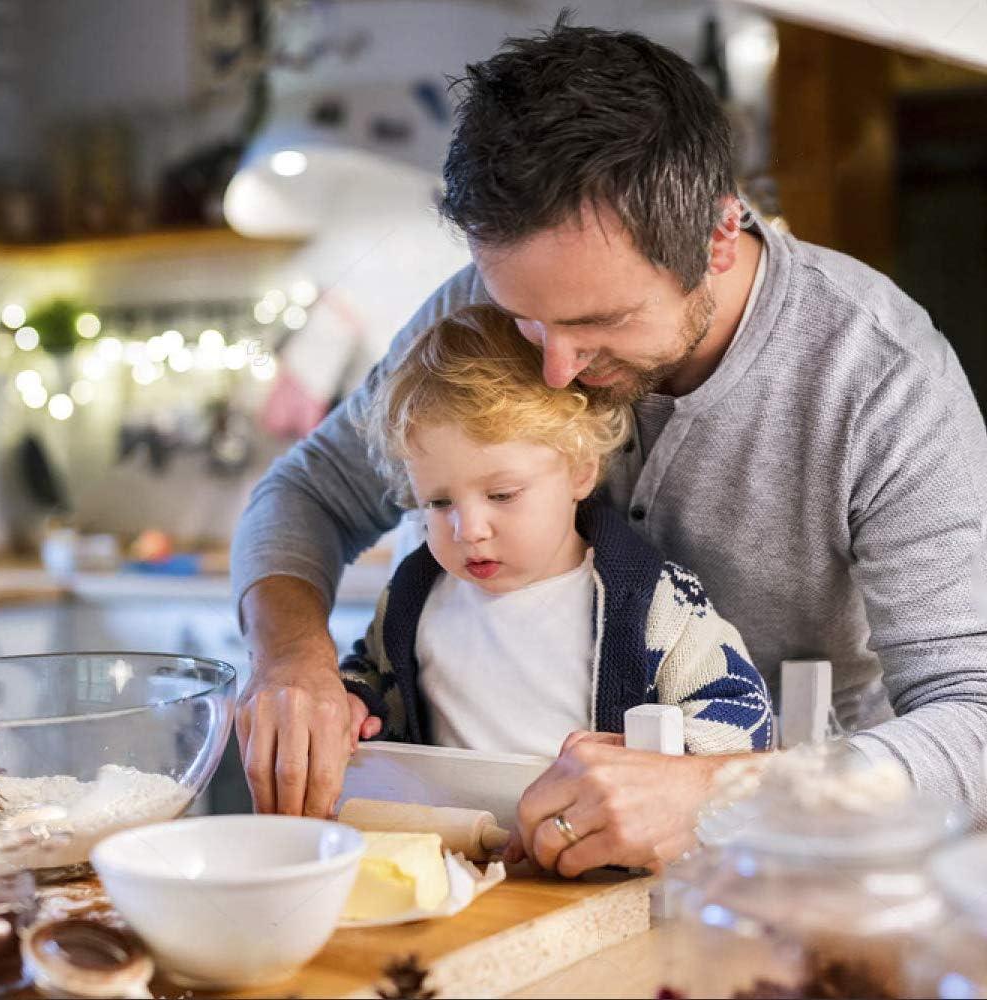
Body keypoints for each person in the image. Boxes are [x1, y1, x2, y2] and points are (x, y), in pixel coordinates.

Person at [232, 19, 987, 873]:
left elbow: (973, 718)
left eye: (599, 322)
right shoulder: (469, 312)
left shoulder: (881, 377)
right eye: (526, 318)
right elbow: (307, 492)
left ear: (716, 236)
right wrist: (288, 655)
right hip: (526, 872)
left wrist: (721, 797)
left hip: (805, 875)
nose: (554, 365)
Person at [336, 304, 773, 766]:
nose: (469, 530)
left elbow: (745, 715)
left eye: (502, 494)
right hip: (451, 834)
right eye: (438, 503)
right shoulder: (412, 595)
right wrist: (356, 703)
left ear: (581, 472)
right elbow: (372, 676)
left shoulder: (656, 600)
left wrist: (660, 765)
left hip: (598, 831)